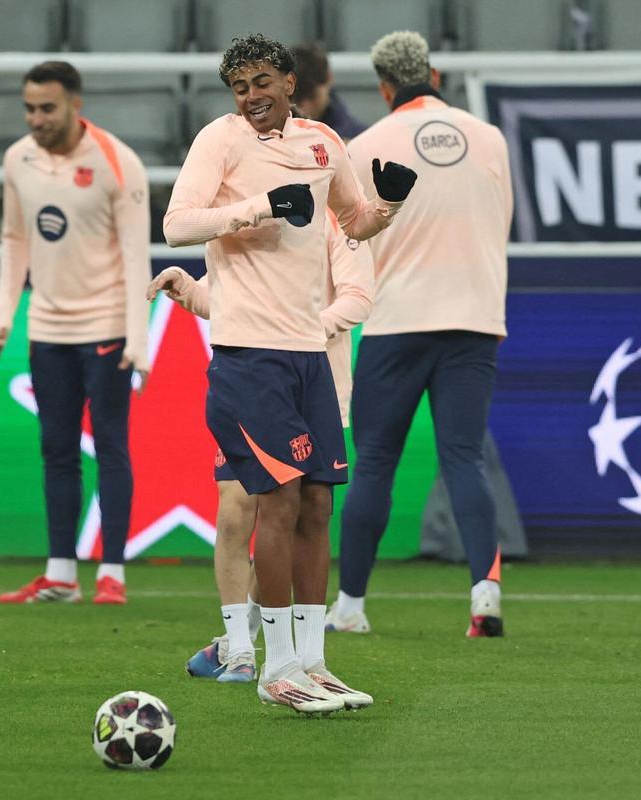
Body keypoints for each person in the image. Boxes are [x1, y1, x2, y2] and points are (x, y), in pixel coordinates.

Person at [162, 33, 415, 713]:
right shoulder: (220, 141)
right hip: (249, 355)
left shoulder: (325, 144)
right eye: (240, 87)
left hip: (309, 355)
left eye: (261, 83)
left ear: (288, 82)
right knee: (273, 505)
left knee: (315, 505)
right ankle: (275, 670)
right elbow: (179, 222)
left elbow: (353, 223)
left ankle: (312, 662)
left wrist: (387, 206)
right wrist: (260, 207)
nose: (251, 98)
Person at [150, 209, 374, 713]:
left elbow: (358, 297)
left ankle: (296, 658)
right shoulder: (245, 215)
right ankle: (249, 653)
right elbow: (226, 303)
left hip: (320, 383)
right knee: (241, 509)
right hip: (255, 379)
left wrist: (299, 331)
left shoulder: (338, 223)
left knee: (308, 509)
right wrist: (187, 288)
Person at [327, 31, 512, 638]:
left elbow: (348, 238)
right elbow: (501, 223)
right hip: (474, 321)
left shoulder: (366, 143)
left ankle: (350, 606)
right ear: (432, 73)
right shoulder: (489, 138)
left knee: (375, 463)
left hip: (396, 321)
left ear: (383, 86)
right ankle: (485, 598)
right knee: (464, 458)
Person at [0, 61, 151, 606]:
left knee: (110, 447)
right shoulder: (17, 159)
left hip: (104, 326)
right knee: (55, 449)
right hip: (47, 327)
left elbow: (135, 257)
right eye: (29, 108)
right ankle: (60, 574)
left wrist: (137, 338)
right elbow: (14, 238)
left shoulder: (117, 162)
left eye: (47, 108)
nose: (37, 118)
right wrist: (4, 315)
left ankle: (113, 573)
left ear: (75, 105)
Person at [291, 43, 369, 140]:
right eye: (295, 99)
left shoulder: (359, 139)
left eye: (312, 97)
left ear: (329, 78)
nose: (305, 109)